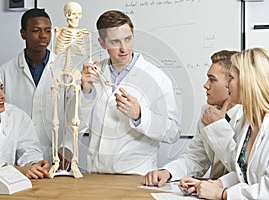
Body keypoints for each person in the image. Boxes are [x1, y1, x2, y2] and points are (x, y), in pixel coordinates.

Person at [77, 10, 181, 175]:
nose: (124, 48)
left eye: (128, 39)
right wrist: (86, 92)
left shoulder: (157, 78)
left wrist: (140, 115)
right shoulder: (93, 75)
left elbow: (173, 132)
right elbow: (75, 126)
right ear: (102, 43)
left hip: (136, 175)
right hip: (96, 174)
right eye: (115, 42)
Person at [180, 48, 269, 199]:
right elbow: (245, 172)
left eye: (231, 79)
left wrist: (222, 194)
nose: (227, 85)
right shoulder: (250, 123)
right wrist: (218, 184)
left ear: (247, 81)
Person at [144, 50, 243, 186]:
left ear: (231, 82)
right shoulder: (208, 113)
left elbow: (242, 169)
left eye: (212, 79)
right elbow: (196, 158)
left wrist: (218, 127)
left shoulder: (250, 118)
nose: (206, 85)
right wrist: (167, 172)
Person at [0, 8, 62, 165]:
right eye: (36, 30)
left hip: (56, 154)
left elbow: (76, 113)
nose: (43, 36)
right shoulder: (6, 71)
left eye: (47, 31)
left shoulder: (64, 69)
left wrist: (66, 148)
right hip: (17, 155)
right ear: (23, 33)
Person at [0, 66, 50, 179]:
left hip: (12, 187)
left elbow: (29, 150)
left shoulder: (17, 116)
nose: (2, 95)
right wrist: (18, 171)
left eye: (1, 88)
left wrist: (34, 165)